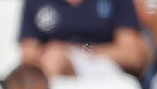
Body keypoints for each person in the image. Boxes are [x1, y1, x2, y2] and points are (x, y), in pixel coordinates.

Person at [19, 0, 148, 77]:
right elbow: (28, 57)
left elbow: (132, 55)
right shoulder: (35, 2)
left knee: (55, 55)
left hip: (104, 70)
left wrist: (82, 52)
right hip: (52, 70)